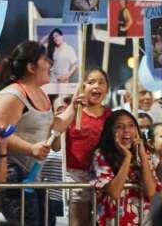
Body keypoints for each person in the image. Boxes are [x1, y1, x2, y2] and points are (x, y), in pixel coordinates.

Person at [0, 41, 79, 225]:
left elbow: (53, 128)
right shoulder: (12, 96)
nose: (51, 64)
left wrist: (75, 106)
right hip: (13, 177)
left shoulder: (41, 93)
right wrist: (31, 149)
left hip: (35, 177)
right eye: (45, 59)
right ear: (31, 67)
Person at [91, 109, 160, 226]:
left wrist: (143, 154)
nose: (126, 130)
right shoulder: (101, 154)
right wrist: (127, 158)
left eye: (131, 125)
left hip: (142, 220)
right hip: (112, 221)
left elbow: (150, 190)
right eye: (119, 126)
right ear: (110, 131)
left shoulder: (144, 153)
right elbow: (114, 192)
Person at [66, 68, 112, 226]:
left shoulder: (112, 117)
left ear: (107, 89)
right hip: (76, 175)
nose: (96, 86)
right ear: (82, 87)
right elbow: (56, 145)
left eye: (101, 82)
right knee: (79, 220)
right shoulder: (71, 113)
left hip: (103, 174)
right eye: (91, 82)